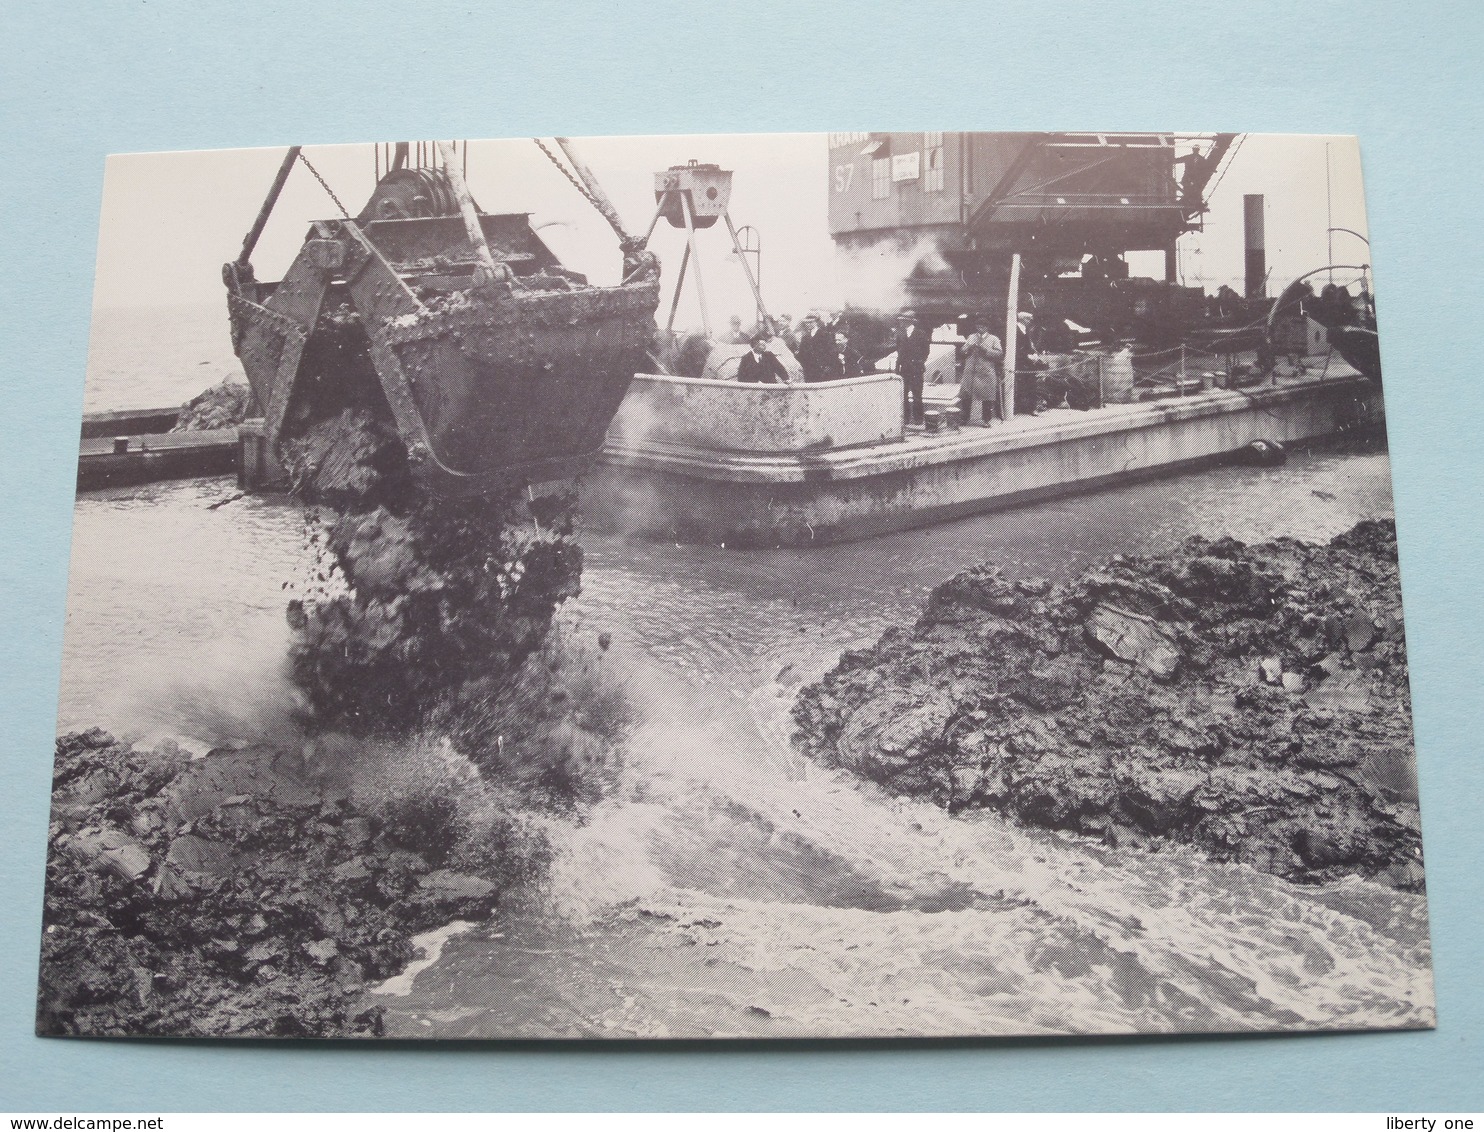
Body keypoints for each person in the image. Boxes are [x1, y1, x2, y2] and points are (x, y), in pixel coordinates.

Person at [958, 319, 1002, 426]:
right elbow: (962, 351)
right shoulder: (971, 336)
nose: (980, 328)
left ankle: (986, 420)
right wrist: (968, 347)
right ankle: (964, 418)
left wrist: (985, 350)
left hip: (985, 371)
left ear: (987, 328)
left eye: (982, 326)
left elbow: (999, 354)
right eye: (978, 326)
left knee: (986, 396)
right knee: (966, 395)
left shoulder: (993, 339)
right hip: (970, 371)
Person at [895, 310, 932, 425]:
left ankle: (918, 418)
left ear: (909, 322)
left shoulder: (920, 333)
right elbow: (899, 350)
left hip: (916, 368)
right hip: (904, 368)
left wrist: (920, 361)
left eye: (903, 321)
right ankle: (906, 418)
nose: (901, 322)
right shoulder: (900, 334)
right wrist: (898, 366)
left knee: (917, 394)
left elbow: (926, 350)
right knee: (904, 394)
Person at [796, 312, 835, 382]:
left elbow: (831, 352)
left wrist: (827, 366)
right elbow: (801, 354)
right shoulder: (805, 337)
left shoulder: (825, 335)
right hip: (809, 371)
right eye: (807, 323)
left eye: (811, 322)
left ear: (816, 322)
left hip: (822, 370)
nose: (808, 324)